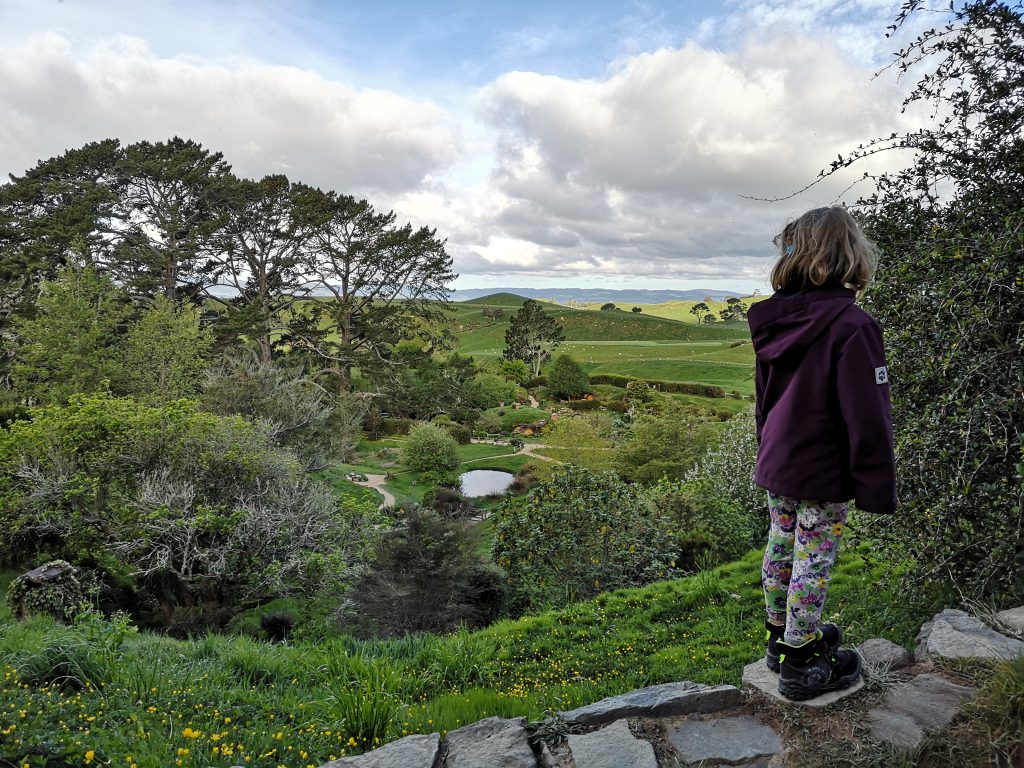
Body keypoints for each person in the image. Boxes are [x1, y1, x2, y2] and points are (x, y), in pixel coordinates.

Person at [747, 206, 897, 701]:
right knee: (813, 556)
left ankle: (779, 639)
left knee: (780, 543)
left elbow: (763, 399)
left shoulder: (774, 322)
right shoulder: (853, 326)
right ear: (850, 255)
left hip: (779, 460)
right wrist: (876, 486)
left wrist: (765, 451)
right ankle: (802, 659)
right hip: (822, 469)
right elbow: (868, 416)